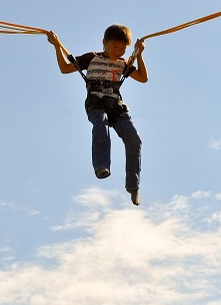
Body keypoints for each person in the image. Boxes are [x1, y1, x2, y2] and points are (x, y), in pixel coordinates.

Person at [48, 25, 148, 206]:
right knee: (100, 125)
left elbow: (143, 77)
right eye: (115, 47)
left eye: (123, 48)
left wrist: (138, 54)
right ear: (104, 43)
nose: (118, 51)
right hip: (96, 104)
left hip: (116, 106)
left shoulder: (123, 64)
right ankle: (102, 166)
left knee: (135, 140)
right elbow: (65, 68)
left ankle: (133, 186)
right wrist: (56, 45)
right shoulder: (91, 58)